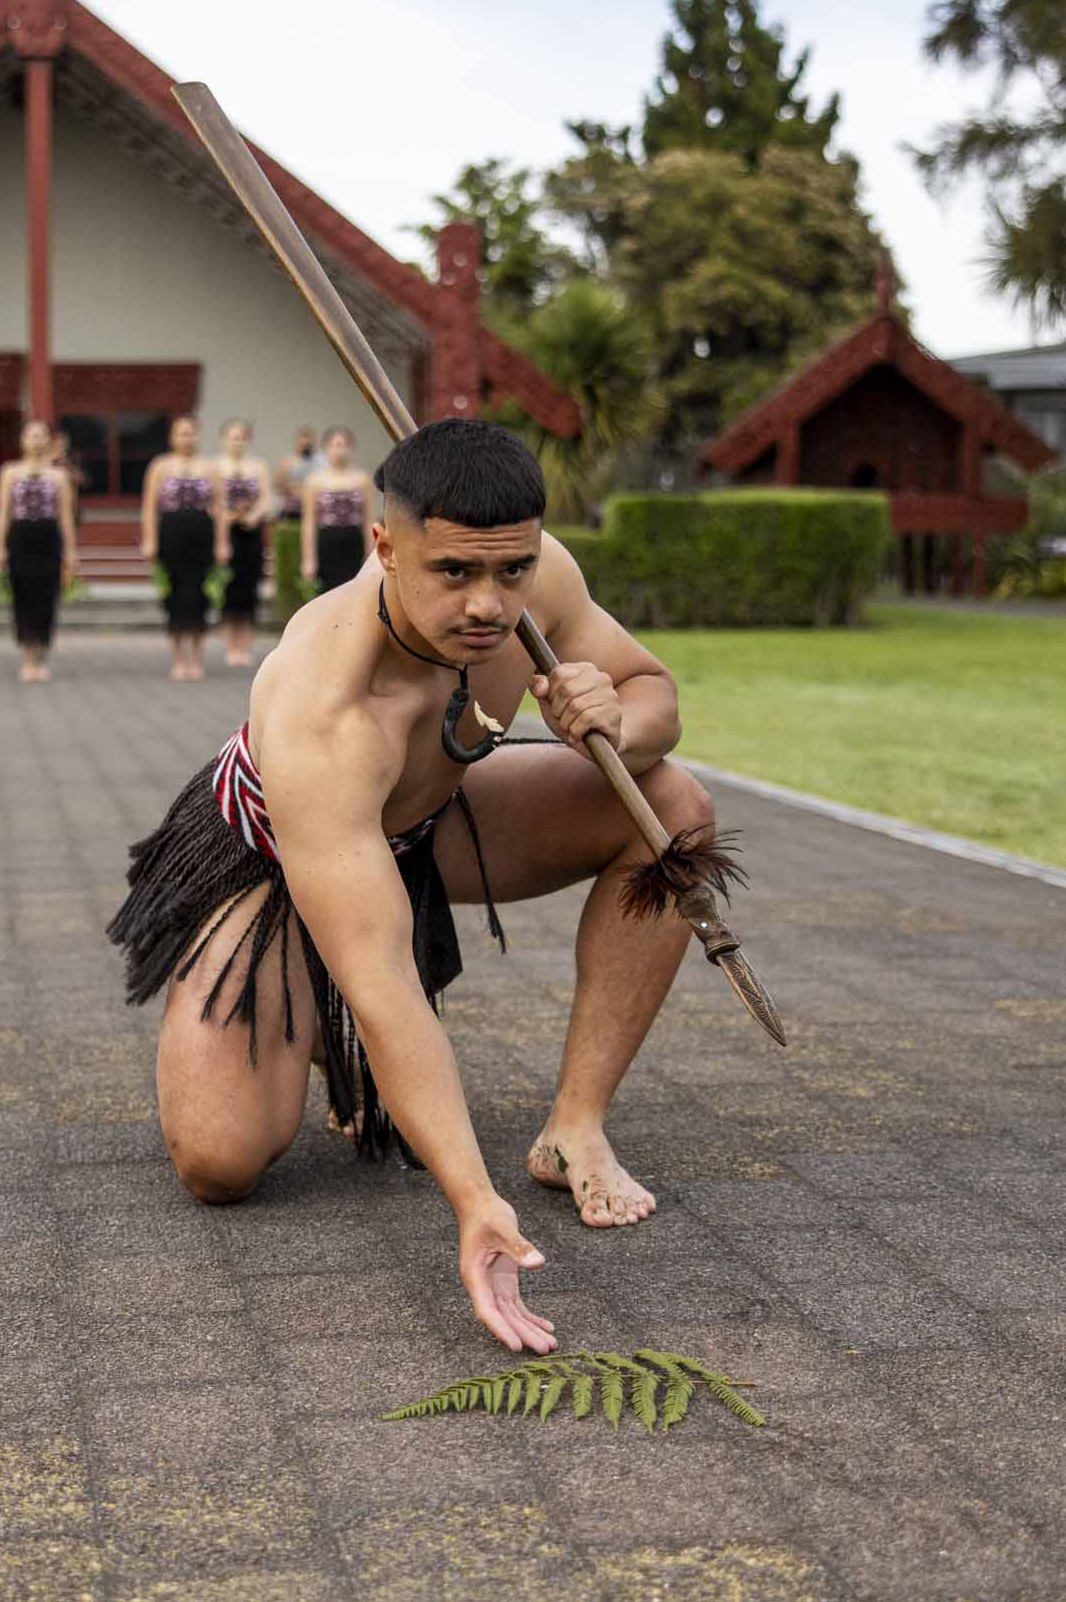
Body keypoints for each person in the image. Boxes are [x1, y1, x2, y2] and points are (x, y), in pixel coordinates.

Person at [107, 418, 720, 1354]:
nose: (487, 604)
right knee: (219, 1162)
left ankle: (575, 1126)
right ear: (386, 548)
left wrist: (616, 722)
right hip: (268, 863)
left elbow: (653, 693)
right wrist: (474, 1201)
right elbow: (383, 977)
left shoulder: (537, 575)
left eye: (510, 571)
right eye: (453, 572)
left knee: (670, 808)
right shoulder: (328, 702)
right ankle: (300, 1018)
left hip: (425, 825)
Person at [0, 418, 76, 683]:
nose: (36, 440)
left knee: (46, 597)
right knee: (23, 597)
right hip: (20, 538)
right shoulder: (9, 472)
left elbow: (65, 516)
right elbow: (3, 513)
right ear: (22, 441)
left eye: (41, 435)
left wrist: (71, 552)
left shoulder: (59, 476)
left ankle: (41, 655)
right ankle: (27, 657)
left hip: (48, 538)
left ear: (48, 441)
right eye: (32, 435)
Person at [142, 415, 218, 681]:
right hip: (171, 534)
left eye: (191, 433)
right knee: (173, 596)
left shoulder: (210, 467)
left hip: (202, 535)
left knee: (199, 596)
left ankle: (196, 658)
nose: (186, 438)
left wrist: (222, 543)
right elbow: (149, 507)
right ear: (172, 437)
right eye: (181, 433)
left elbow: (219, 508)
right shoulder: (160, 466)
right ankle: (177, 658)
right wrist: (150, 539)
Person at [214, 419, 275, 669]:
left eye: (241, 437)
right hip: (226, 534)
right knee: (229, 591)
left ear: (248, 440)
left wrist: (254, 515)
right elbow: (213, 500)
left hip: (251, 534)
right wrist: (227, 516)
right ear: (223, 440)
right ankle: (231, 645)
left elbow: (267, 498)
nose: (237, 442)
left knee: (249, 590)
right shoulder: (216, 467)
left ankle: (245, 645)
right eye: (232, 437)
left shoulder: (258, 466)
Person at [299, 426, 375, 594]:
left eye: (343, 445)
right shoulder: (314, 481)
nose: (339, 451)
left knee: (355, 593)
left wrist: (370, 554)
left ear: (351, 448)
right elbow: (309, 523)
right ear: (326, 449)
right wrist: (308, 559)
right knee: (328, 594)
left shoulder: (362, 479)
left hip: (354, 541)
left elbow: (368, 520)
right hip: (327, 541)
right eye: (334, 445)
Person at [276, 424, 319, 520]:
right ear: (297, 441)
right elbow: (278, 484)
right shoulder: (287, 461)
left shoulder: (320, 462)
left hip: (314, 508)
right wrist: (290, 487)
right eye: (302, 443)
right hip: (291, 509)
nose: (305, 445)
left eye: (308, 444)